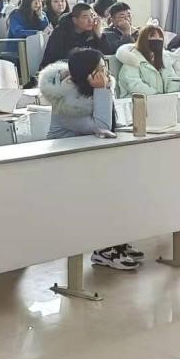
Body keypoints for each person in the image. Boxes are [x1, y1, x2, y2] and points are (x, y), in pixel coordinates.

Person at [37, 49, 139, 271]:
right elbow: (102, 126)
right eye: (99, 70)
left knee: (126, 182)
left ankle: (116, 241)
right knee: (107, 191)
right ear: (86, 74)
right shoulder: (67, 102)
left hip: (88, 159)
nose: (105, 74)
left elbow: (109, 126)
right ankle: (104, 248)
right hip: (64, 164)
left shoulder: (89, 91)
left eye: (104, 68)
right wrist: (103, 90)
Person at [115, 24, 180, 97]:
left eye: (160, 37)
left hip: (162, 101)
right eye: (152, 36)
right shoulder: (131, 58)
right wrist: (157, 96)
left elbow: (172, 79)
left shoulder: (164, 59)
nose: (157, 39)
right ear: (143, 39)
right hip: (136, 101)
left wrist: (171, 96)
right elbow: (133, 84)